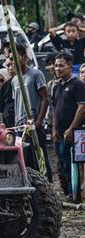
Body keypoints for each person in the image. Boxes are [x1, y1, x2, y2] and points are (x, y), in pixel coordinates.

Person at [11, 44, 52, 181]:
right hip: (20, 127)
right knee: (25, 159)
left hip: (33, 124)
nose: (13, 61)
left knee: (41, 157)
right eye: (10, 58)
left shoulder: (35, 74)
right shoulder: (15, 80)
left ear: (23, 56)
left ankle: (48, 185)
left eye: (15, 57)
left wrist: (39, 121)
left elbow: (45, 99)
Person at [52, 53, 85, 201]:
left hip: (73, 132)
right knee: (62, 164)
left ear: (70, 67)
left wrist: (71, 129)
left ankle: (76, 194)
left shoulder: (78, 84)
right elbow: (54, 109)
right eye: (56, 65)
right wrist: (53, 130)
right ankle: (68, 192)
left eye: (61, 65)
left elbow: (82, 107)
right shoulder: (56, 86)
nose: (57, 68)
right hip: (59, 133)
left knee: (72, 164)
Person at [0, 58, 16, 128]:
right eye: (8, 66)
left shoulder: (25, 82)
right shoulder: (5, 86)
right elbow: (1, 109)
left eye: (12, 65)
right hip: (8, 125)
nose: (10, 68)